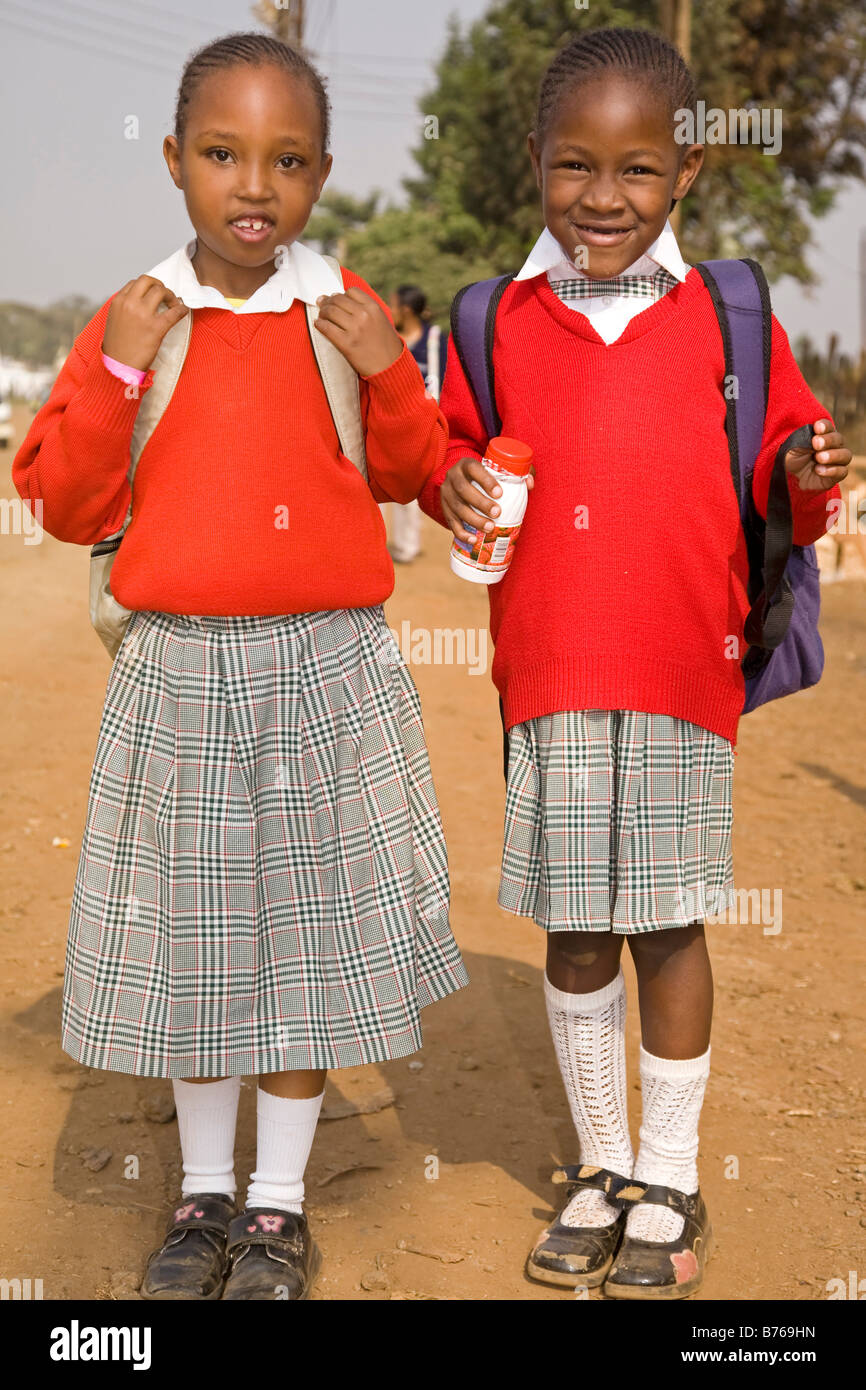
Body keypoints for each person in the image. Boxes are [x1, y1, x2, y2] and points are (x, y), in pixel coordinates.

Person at [13, 30, 467, 1302]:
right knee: (205, 953)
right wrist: (110, 373)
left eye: (284, 159)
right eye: (221, 154)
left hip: (328, 673)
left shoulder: (344, 310)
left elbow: (406, 471)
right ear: (173, 162)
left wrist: (386, 372)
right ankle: (202, 1193)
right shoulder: (135, 317)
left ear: (320, 174)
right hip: (181, 677)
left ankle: (275, 1211)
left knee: (305, 954)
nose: (251, 185)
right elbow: (59, 497)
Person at [419, 26, 850, 1300]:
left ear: (687, 175)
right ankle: (599, 1167)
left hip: (675, 673)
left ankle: (667, 1172)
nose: (600, 198)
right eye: (571, 167)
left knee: (665, 924)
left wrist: (800, 474)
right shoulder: (495, 319)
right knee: (574, 929)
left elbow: (787, 478)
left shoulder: (728, 313)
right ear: (534, 164)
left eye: (635, 170)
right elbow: (449, 464)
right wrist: (452, 485)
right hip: (549, 672)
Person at [381, 285, 449, 563]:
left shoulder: (435, 339)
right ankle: (380, 544)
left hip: (423, 424)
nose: (390, 310)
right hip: (389, 423)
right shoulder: (390, 338)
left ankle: (408, 546)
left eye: (393, 305)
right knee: (383, 487)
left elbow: (447, 379)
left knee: (409, 490)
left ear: (406, 310)